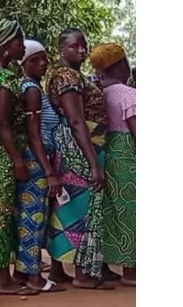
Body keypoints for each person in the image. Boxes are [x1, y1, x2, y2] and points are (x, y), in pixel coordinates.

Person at [45, 28, 113, 290]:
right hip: (82, 147)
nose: (82, 50)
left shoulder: (66, 74)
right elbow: (76, 121)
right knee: (85, 209)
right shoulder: (67, 77)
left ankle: (58, 269)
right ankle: (83, 274)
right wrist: (94, 164)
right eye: (75, 46)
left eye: (84, 45)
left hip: (73, 147)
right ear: (62, 48)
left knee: (67, 207)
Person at [0, 20, 36, 295]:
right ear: (4, 46)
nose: (22, 46)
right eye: (18, 42)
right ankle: (3, 278)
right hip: (5, 151)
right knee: (2, 211)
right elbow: (2, 123)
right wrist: (17, 160)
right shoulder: (7, 78)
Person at [14, 40, 65, 292]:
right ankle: (34, 277)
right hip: (37, 159)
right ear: (25, 63)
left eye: (45, 58)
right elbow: (34, 135)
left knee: (27, 216)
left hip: (35, 158)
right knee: (34, 217)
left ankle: (23, 273)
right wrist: (49, 171)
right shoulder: (31, 90)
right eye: (37, 59)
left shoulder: (29, 88)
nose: (44, 63)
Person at [91, 43, 136, 287]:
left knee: (110, 210)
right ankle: (131, 271)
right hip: (126, 155)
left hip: (103, 154)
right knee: (131, 210)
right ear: (120, 65)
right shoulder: (129, 94)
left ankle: (105, 266)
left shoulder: (97, 93)